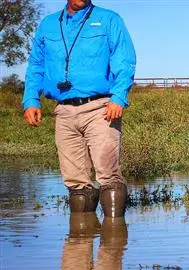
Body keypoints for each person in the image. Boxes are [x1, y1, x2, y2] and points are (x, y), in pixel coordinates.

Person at [22, 0, 136, 218]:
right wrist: (31, 100)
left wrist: (119, 97)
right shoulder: (47, 24)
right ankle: (79, 243)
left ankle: (114, 243)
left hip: (101, 108)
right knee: (76, 185)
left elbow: (125, 60)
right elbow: (36, 64)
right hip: (63, 111)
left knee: (109, 178)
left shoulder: (109, 19)